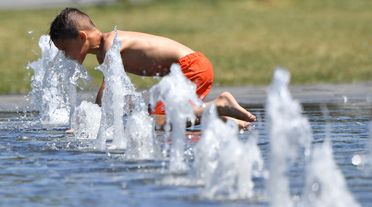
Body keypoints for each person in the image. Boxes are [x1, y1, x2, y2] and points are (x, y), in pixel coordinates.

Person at [49, 8, 256, 128]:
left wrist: (93, 122)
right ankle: (225, 119)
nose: (65, 56)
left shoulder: (109, 44)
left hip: (191, 66)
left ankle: (221, 104)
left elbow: (110, 89)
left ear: (82, 37)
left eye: (65, 49)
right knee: (156, 119)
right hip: (187, 69)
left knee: (161, 122)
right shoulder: (105, 49)